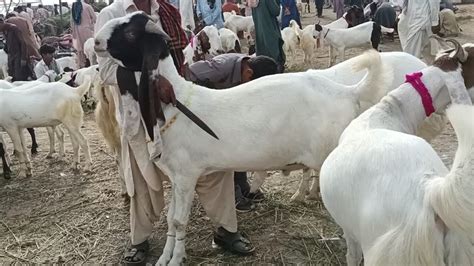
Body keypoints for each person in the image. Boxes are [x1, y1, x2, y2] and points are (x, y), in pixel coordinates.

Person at [95, 0, 254, 264]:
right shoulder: (111, 15)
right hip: (138, 114)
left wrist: (182, 86)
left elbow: (178, 59)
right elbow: (107, 71)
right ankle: (139, 240)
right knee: (143, 179)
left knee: (215, 166)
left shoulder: (168, 11)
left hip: (177, 108)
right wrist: (152, 80)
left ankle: (227, 230)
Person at [186, 53, 277, 210]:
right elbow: (188, 74)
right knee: (226, 151)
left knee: (241, 145)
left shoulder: (250, 65)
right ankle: (233, 195)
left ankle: (243, 188)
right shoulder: (218, 69)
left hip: (227, 110)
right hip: (202, 113)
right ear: (248, 73)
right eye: (252, 84)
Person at [252, 0, 285, 72]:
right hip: (269, 26)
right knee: (273, 48)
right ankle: (275, 68)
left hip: (259, 27)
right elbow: (276, 11)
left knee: (262, 48)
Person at [71, 0, 96, 67]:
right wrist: (92, 26)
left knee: (80, 48)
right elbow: (94, 18)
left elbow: (72, 21)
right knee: (89, 47)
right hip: (86, 29)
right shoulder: (88, 7)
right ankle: (90, 64)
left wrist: (73, 32)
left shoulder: (74, 6)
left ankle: (82, 64)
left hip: (77, 30)